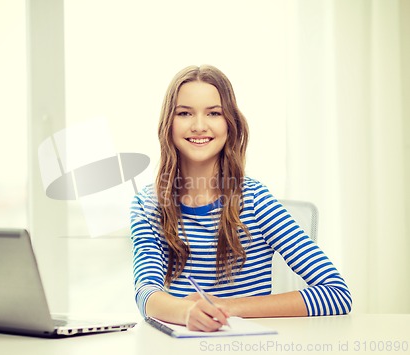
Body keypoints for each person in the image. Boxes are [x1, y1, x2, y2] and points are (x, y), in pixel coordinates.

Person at [130, 65, 352, 332]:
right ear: (168, 123)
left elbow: (337, 294)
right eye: (185, 113)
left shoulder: (256, 200)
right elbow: (146, 293)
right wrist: (186, 310)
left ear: (230, 124)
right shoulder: (148, 205)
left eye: (214, 113)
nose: (199, 126)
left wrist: (226, 307)